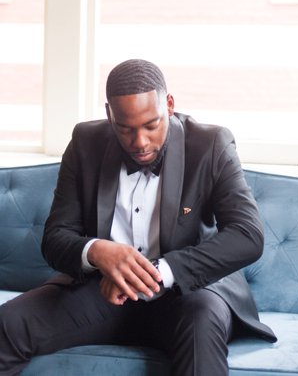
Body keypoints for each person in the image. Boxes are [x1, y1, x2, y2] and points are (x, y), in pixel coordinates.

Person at [0, 58, 275, 375]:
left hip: (187, 293)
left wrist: (159, 273)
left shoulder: (210, 145)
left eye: (151, 125)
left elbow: (247, 236)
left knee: (202, 323)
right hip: (103, 293)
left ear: (169, 105)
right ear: (109, 115)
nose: (140, 142)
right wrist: (99, 252)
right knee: (7, 325)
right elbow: (55, 238)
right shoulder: (84, 143)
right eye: (126, 129)